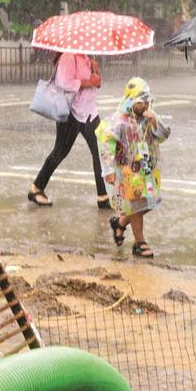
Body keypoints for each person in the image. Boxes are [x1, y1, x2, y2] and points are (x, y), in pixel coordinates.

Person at [96, 77, 170, 258]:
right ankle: (139, 242)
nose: (145, 105)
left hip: (147, 169)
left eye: (147, 101)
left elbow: (164, 135)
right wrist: (109, 170)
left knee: (150, 202)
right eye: (141, 102)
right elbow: (106, 143)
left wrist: (155, 122)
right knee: (136, 204)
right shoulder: (119, 121)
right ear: (131, 101)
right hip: (128, 172)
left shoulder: (149, 117)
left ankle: (120, 222)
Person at [28, 52, 109, 208]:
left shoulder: (85, 57)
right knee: (60, 153)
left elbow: (97, 83)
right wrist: (89, 82)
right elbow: (65, 83)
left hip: (89, 112)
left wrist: (96, 71)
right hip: (71, 113)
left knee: (100, 151)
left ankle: (103, 196)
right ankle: (36, 188)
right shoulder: (68, 57)